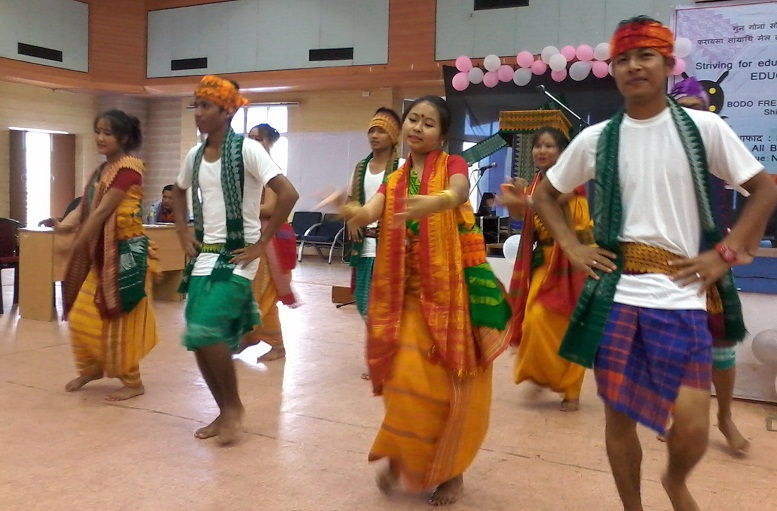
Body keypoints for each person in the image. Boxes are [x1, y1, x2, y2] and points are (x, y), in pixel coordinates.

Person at [531, 16, 777, 511]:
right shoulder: (597, 138)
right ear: (613, 70)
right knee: (618, 418)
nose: (634, 66)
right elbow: (545, 196)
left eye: (645, 55)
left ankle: (674, 480)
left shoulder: (704, 129)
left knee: (692, 425)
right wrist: (574, 247)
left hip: (682, 295)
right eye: (622, 59)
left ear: (667, 64)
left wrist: (726, 254)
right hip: (617, 295)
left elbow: (763, 189)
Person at [342, 96, 511, 506]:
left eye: (428, 123)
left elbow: (458, 190)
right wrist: (348, 210)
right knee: (404, 382)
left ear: (443, 134)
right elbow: (371, 211)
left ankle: (452, 472)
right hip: (407, 298)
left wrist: (440, 201)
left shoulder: (452, 164)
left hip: (451, 296)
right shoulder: (395, 178)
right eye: (413, 119)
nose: (417, 127)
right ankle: (403, 454)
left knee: (447, 390)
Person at [172, 75, 299, 445]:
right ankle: (225, 408)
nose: (199, 113)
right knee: (198, 337)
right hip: (205, 255)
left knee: (205, 330)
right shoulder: (194, 156)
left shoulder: (248, 150)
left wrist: (263, 242)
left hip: (239, 255)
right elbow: (178, 191)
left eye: (206, 106)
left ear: (227, 111)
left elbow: (288, 194)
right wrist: (182, 231)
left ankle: (234, 408)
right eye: (196, 105)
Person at [668, 76, 750, 453]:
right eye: (684, 111)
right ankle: (676, 416)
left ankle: (725, 418)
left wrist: (731, 248)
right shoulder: (659, 154)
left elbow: (757, 194)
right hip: (667, 263)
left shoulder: (720, 147)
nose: (694, 118)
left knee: (722, 347)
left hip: (712, 261)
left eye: (699, 110)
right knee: (673, 346)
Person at [57, 109, 159, 402]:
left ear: (123, 138)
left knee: (120, 324)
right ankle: (92, 369)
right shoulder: (101, 170)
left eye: (108, 133)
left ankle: (133, 382)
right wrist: (62, 225)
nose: (100, 138)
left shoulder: (129, 170)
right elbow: (85, 208)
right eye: (98, 131)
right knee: (82, 316)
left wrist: (78, 243)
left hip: (127, 256)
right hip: (104, 254)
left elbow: (102, 212)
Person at [500, 127, 592, 412]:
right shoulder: (535, 184)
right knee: (533, 318)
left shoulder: (571, 178)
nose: (541, 150)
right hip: (546, 260)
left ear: (562, 152)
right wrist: (515, 199)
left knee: (569, 325)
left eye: (549, 145)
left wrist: (524, 200)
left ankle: (571, 390)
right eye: (538, 145)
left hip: (574, 259)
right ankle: (542, 374)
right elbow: (521, 214)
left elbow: (550, 201)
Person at [345, 107, 402, 379]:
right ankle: (384, 357)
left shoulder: (402, 167)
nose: (374, 136)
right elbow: (351, 201)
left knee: (385, 306)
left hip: (391, 247)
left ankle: (385, 361)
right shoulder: (360, 167)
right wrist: (351, 220)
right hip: (363, 246)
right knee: (364, 303)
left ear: (393, 136)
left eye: (381, 131)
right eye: (371, 131)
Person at [238, 123, 299, 362]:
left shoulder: (271, 171)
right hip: (254, 235)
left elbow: (272, 207)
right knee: (250, 291)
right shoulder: (250, 169)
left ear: (270, 143)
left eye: (259, 138)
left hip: (270, 239)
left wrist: (241, 209)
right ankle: (251, 337)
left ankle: (268, 342)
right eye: (250, 137)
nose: (253, 142)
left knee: (262, 293)